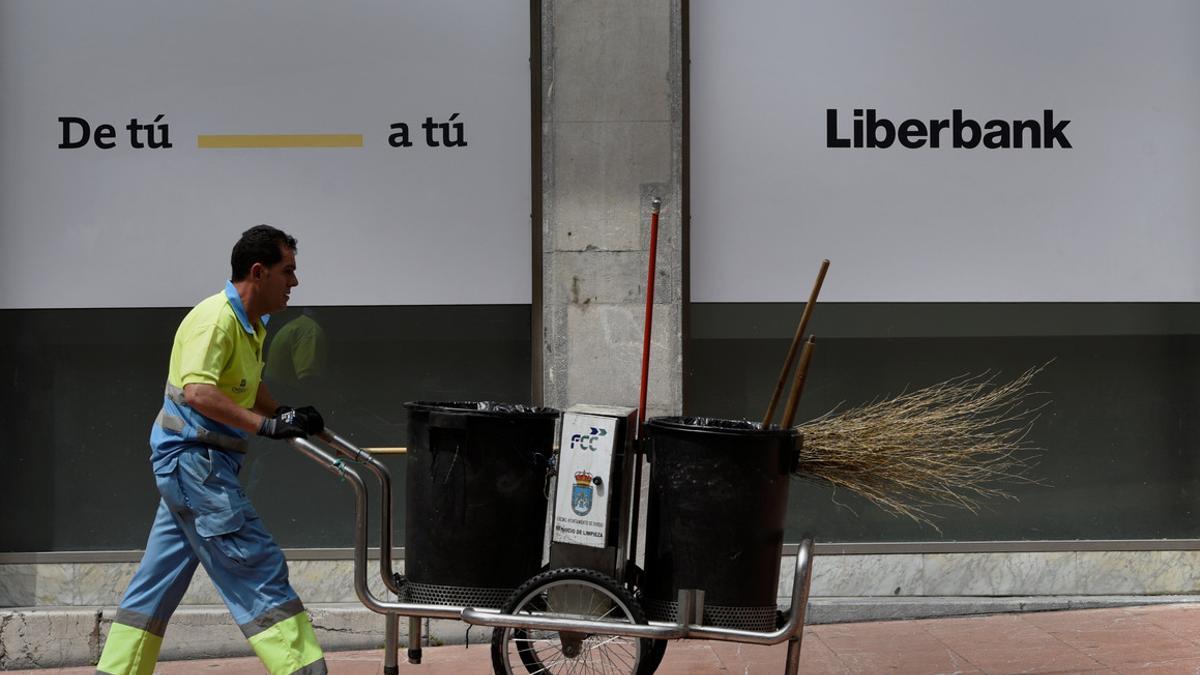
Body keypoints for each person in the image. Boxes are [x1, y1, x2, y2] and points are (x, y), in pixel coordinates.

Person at [97, 225, 328, 675]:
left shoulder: (253, 323)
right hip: (192, 462)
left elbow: (245, 385)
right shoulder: (215, 319)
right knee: (254, 563)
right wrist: (267, 426)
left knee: (156, 583)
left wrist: (285, 411)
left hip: (202, 462)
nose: (295, 283)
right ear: (258, 273)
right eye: (289, 272)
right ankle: (304, 670)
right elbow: (200, 392)